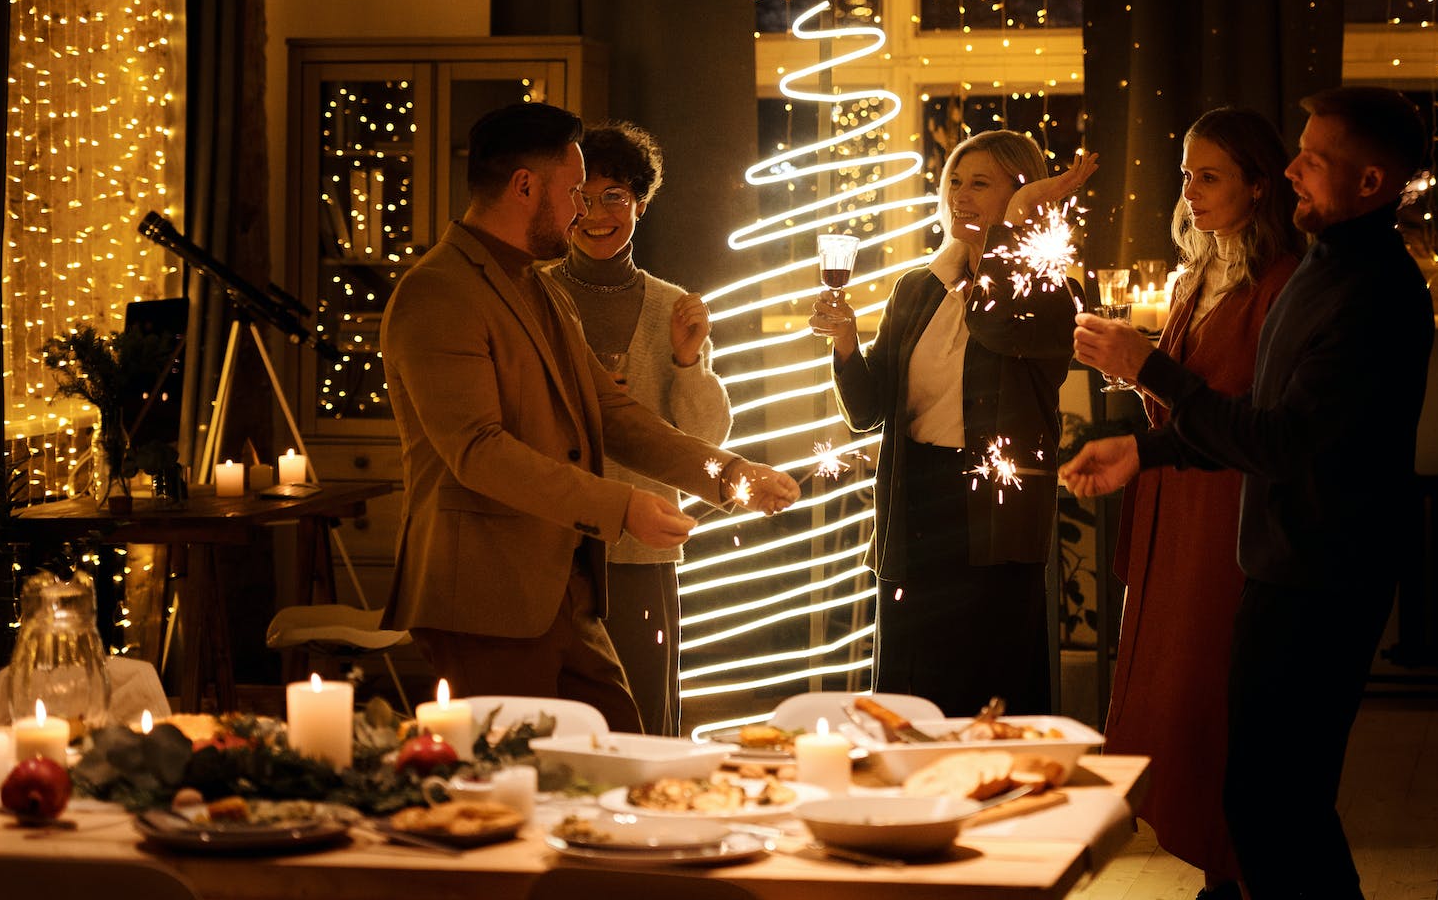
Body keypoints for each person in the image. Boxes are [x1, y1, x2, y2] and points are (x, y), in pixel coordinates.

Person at [1062, 87, 1433, 900]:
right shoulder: (1325, 269)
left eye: (1313, 159)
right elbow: (1252, 423)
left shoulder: (1372, 293)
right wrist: (1142, 448)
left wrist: (1146, 369)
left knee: (1281, 810)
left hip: (1323, 577)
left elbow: (1277, 443)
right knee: (1267, 805)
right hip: (1280, 566)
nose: (1294, 171)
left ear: (1372, 180)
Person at [381, 101, 798, 732]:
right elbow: (479, 451)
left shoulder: (538, 286)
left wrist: (729, 474)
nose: (583, 209)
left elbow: (611, 412)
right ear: (525, 186)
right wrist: (621, 507)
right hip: (484, 598)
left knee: (626, 748)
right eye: (574, 190)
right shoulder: (438, 290)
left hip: (564, 588)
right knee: (512, 786)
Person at [1074, 108, 1303, 900]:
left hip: (1225, 524)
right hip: (1176, 509)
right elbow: (1179, 401)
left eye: (1210, 176)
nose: (1191, 192)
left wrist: (1149, 373)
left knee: (1218, 719)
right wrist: (1135, 390)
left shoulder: (1277, 284)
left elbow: (1240, 415)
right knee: (1180, 714)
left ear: (1258, 183)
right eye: (1184, 174)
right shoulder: (1199, 272)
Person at [811, 131, 1097, 719]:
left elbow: (996, 325)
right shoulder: (916, 288)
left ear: (1023, 194)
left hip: (995, 509)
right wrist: (845, 343)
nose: (961, 196)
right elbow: (868, 412)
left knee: (988, 694)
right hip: (916, 505)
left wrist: (1017, 223)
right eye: (955, 183)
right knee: (911, 694)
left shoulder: (1051, 291)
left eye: (982, 184)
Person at [541, 121, 731, 736]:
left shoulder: (673, 306)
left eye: (614, 197)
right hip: (550, 538)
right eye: (582, 198)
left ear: (640, 204)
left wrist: (684, 360)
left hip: (639, 544)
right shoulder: (533, 295)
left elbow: (706, 436)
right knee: (557, 718)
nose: (597, 215)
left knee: (644, 715)